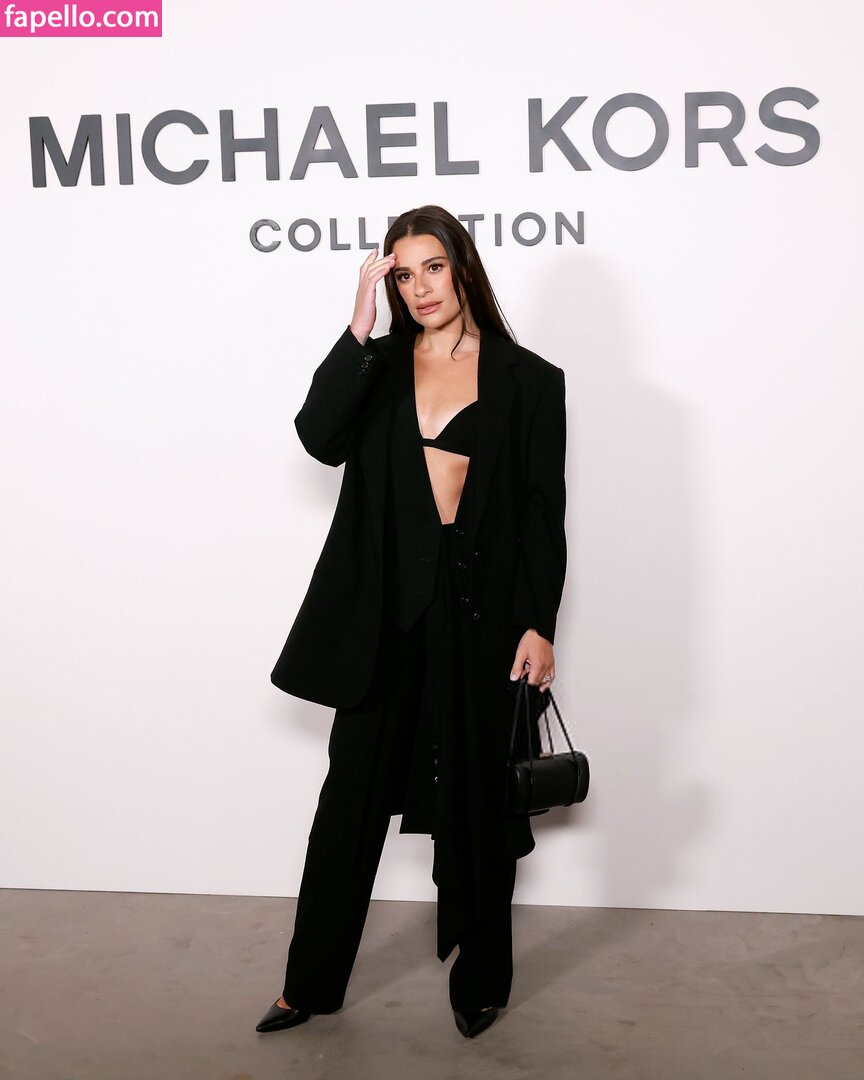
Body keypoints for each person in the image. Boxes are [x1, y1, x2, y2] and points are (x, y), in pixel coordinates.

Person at [257, 204, 567, 1040]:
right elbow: (318, 438)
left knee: (480, 803)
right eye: (402, 274)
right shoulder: (380, 364)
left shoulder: (531, 380)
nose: (420, 287)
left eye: (433, 267)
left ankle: (482, 982)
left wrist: (537, 624)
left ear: (462, 268)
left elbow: (542, 515)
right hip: (383, 619)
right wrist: (357, 330)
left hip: (480, 623)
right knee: (348, 803)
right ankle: (309, 983)